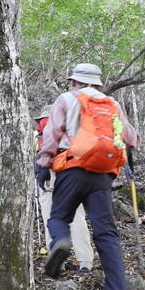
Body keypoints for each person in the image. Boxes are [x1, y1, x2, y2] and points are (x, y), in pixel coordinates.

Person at [36, 63, 141, 290]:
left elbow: (52, 134)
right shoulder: (112, 104)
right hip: (103, 175)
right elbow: (131, 138)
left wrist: (43, 164)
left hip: (72, 168)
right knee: (106, 234)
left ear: (74, 82)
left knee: (59, 217)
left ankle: (61, 243)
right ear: (99, 84)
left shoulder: (66, 99)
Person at [34, 104, 94, 273]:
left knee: (49, 219)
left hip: (45, 178)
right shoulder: (70, 130)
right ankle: (85, 262)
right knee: (76, 217)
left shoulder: (38, 134)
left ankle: (57, 261)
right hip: (70, 175)